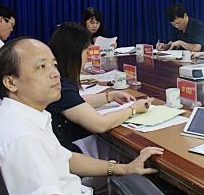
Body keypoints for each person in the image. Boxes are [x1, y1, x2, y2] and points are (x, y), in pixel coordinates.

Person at [0, 38, 163, 195]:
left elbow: (65, 158)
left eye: (54, 65)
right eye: (41, 67)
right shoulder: (21, 138)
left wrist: (123, 169)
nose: (55, 73)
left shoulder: (24, 117)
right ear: (11, 82)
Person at [47, 23, 151, 151]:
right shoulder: (60, 85)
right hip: (72, 150)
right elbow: (100, 124)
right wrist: (133, 109)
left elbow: (75, 102)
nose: (88, 58)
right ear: (74, 53)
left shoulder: (56, 80)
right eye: (86, 52)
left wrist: (110, 96)